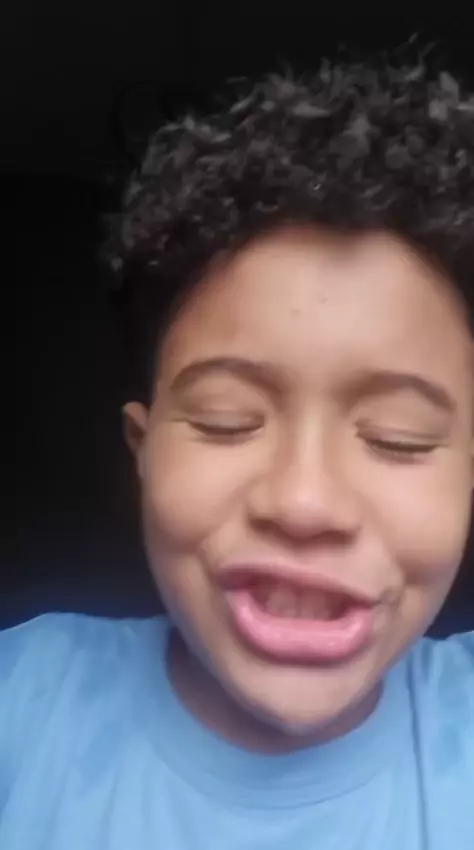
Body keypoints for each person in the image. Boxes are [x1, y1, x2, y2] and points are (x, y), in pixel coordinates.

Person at [2, 56, 474, 849]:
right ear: (143, 452)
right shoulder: (21, 703)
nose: (303, 501)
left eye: (399, 437)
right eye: (227, 421)